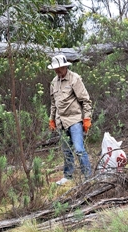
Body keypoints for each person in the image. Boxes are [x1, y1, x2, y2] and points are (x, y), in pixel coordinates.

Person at [48, 54, 92, 185]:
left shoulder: (75, 79)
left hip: (74, 120)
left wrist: (87, 118)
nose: (57, 71)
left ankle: (88, 177)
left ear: (65, 66)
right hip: (60, 121)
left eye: (59, 68)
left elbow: (85, 100)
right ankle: (68, 176)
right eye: (55, 69)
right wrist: (52, 119)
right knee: (66, 151)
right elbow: (53, 103)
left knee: (79, 149)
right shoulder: (54, 83)